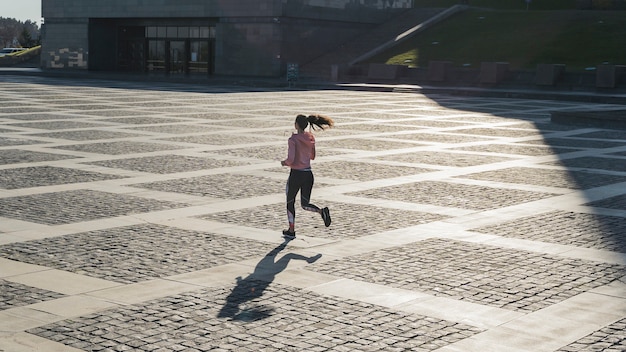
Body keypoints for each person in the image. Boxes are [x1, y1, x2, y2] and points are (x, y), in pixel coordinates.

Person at [280, 114, 334, 239]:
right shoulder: (310, 138)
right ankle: (321, 211)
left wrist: (284, 163)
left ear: (296, 125)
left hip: (296, 175)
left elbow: (291, 159)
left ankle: (291, 230)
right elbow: (312, 156)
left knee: (290, 202)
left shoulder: (292, 140)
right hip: (308, 174)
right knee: (305, 204)